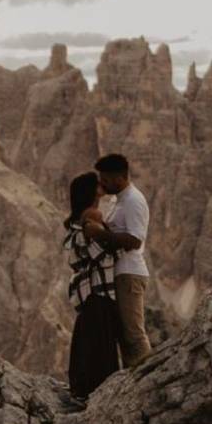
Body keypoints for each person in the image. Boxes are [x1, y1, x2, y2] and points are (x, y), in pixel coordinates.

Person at [85, 154, 152, 368]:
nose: (102, 183)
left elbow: (134, 239)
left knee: (133, 334)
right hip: (121, 273)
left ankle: (148, 380)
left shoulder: (134, 200)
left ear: (120, 178)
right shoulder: (118, 200)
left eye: (106, 178)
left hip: (130, 274)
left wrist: (100, 234)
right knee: (123, 333)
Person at [62, 172, 121, 399]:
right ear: (92, 191)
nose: (102, 184)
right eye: (98, 183)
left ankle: (82, 390)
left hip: (88, 292)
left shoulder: (80, 217)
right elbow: (107, 251)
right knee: (101, 344)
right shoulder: (93, 214)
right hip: (100, 289)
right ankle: (100, 395)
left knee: (88, 340)